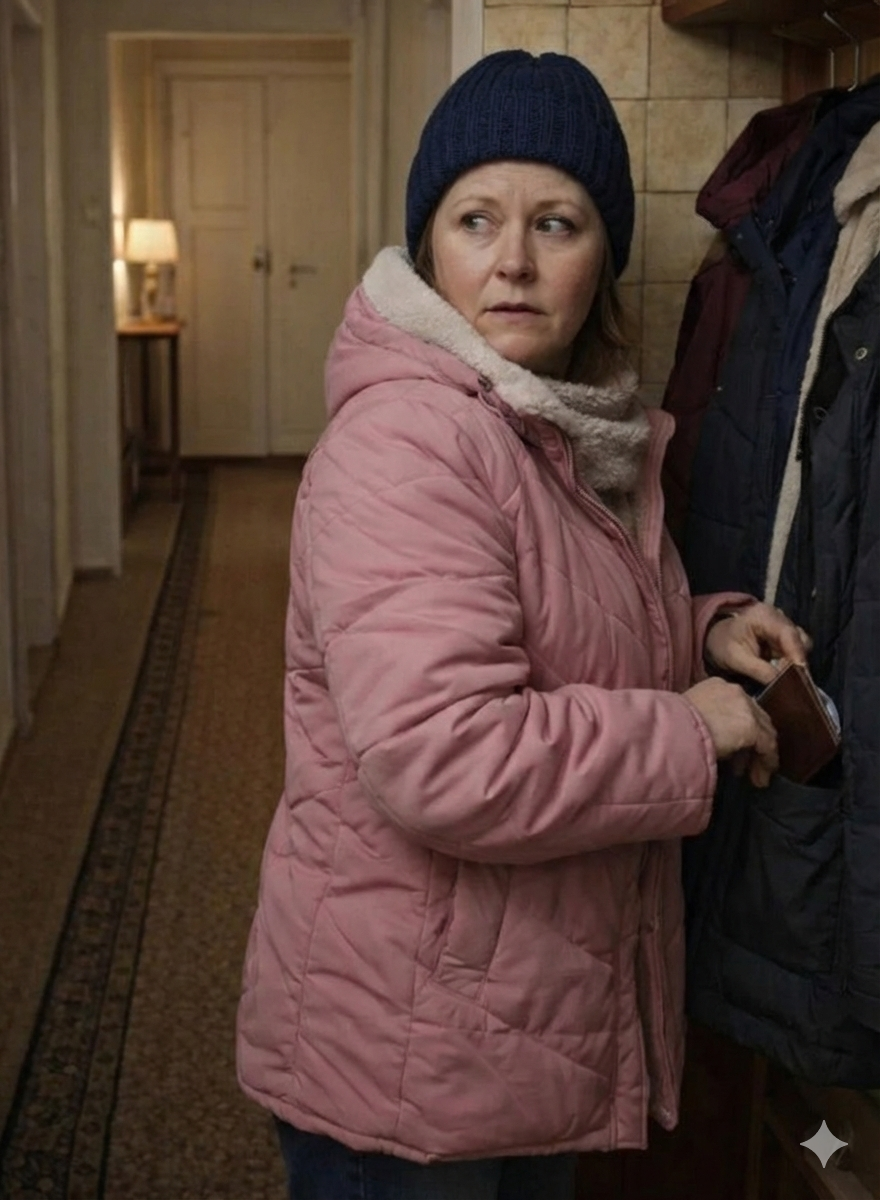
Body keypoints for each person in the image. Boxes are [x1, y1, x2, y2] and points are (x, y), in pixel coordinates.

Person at [236, 50, 809, 1200]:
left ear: (602, 259)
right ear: (428, 246)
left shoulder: (555, 425)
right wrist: (685, 730)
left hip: (501, 1030)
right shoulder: (412, 444)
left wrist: (700, 628)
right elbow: (447, 753)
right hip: (409, 1061)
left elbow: (553, 620)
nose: (511, 260)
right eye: (475, 219)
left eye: (555, 222)